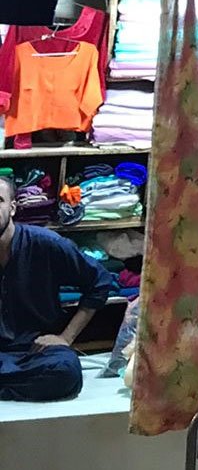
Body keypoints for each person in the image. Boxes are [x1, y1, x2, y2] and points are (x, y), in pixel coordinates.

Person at [0, 172, 119, 401]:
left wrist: (66, 337)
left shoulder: (46, 244)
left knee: (66, 372)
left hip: (35, 351)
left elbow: (100, 282)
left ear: (13, 208)